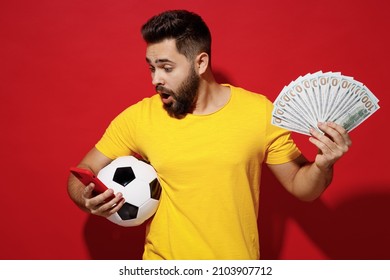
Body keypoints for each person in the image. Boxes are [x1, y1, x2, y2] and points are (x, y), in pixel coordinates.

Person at [67, 10, 352, 260]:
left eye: (167, 68)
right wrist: (88, 199)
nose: (156, 79)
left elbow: (301, 188)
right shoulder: (139, 117)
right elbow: (81, 173)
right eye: (151, 68)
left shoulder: (259, 112)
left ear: (200, 63)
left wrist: (323, 164)